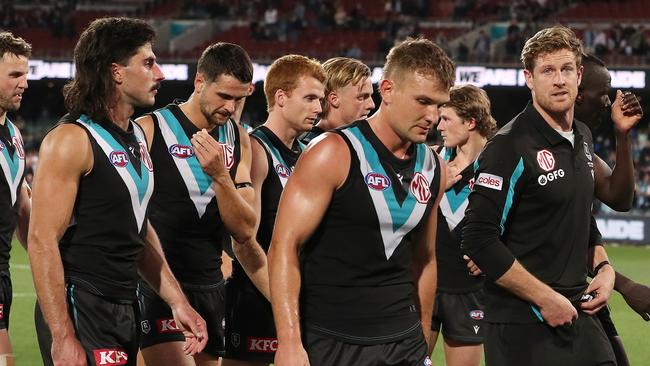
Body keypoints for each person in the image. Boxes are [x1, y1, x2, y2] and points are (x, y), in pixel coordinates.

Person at [28, 17, 207, 366]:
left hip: (125, 305)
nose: (161, 74)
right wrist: (63, 336)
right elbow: (40, 240)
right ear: (116, 72)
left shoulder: (138, 138)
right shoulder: (71, 141)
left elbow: (138, 230)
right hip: (82, 304)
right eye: (148, 62)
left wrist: (178, 301)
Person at [269, 38, 455, 365]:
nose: (433, 116)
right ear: (387, 89)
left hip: (404, 339)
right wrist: (288, 342)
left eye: (439, 105)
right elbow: (284, 245)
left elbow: (425, 259)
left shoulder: (434, 166)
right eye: (423, 101)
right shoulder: (332, 152)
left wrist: (422, 333)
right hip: (333, 339)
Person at [461, 26, 617, 365]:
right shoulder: (509, 146)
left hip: (577, 311)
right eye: (547, 71)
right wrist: (544, 298)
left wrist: (604, 267)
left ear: (579, 75)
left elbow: (577, 214)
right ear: (529, 79)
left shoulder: (583, 136)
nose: (558, 80)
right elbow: (478, 239)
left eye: (565, 70)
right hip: (522, 325)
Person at [136, 42, 261, 366]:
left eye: (239, 98)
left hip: (210, 288)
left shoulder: (237, 138)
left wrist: (221, 177)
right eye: (224, 96)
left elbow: (245, 229)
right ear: (200, 82)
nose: (231, 107)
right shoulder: (150, 130)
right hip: (160, 288)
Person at [222, 54, 325, 366]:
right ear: (281, 97)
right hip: (256, 302)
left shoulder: (309, 155)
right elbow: (244, 243)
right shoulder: (254, 150)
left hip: (298, 301)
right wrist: (285, 303)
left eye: (320, 99)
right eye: (309, 98)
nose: (318, 109)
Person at [573, 53, 646, 366]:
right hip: (542, 301)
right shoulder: (530, 146)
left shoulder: (582, 143)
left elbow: (620, 198)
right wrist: (625, 284)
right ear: (577, 94)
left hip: (583, 291)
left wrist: (622, 136)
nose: (608, 101)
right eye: (602, 93)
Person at [431, 85, 496, 366]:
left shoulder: (499, 166)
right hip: (425, 284)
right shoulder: (429, 160)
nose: (438, 125)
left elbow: (522, 224)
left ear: (471, 121)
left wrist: (494, 253)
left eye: (446, 119)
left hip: (471, 291)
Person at [0, 31, 32, 366]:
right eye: (14, 75)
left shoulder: (14, 134)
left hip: (4, 272)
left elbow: (22, 207)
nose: (24, 83)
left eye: (25, 74)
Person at [300, 57, 375, 144]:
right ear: (334, 99)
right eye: (361, 97)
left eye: (370, 96)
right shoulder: (310, 148)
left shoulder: (358, 142)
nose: (372, 105)